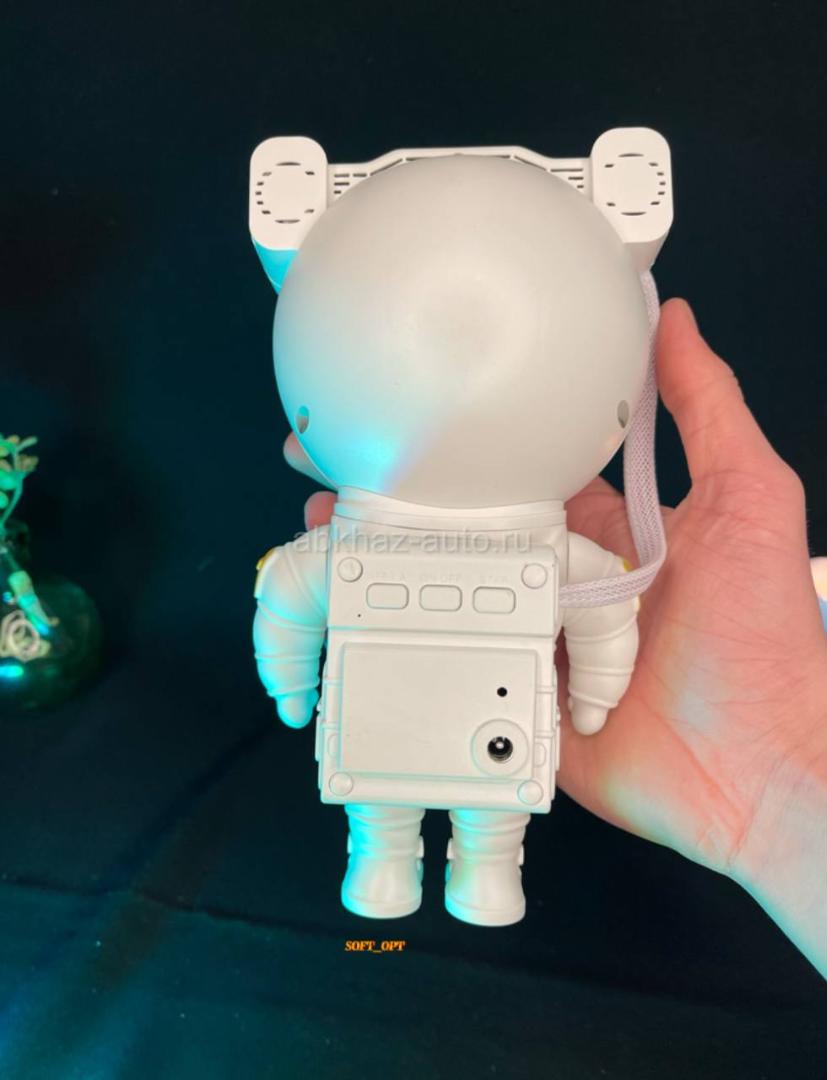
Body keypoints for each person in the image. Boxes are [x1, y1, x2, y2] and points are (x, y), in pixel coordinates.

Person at [283, 297, 827, 976]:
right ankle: (390, 864)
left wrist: (291, 685)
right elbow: (291, 595)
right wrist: (597, 695)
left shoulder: (552, 556)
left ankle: (471, 870)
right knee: (391, 797)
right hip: (398, 722)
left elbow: (289, 597)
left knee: (477, 798)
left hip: (470, 725)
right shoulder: (546, 556)